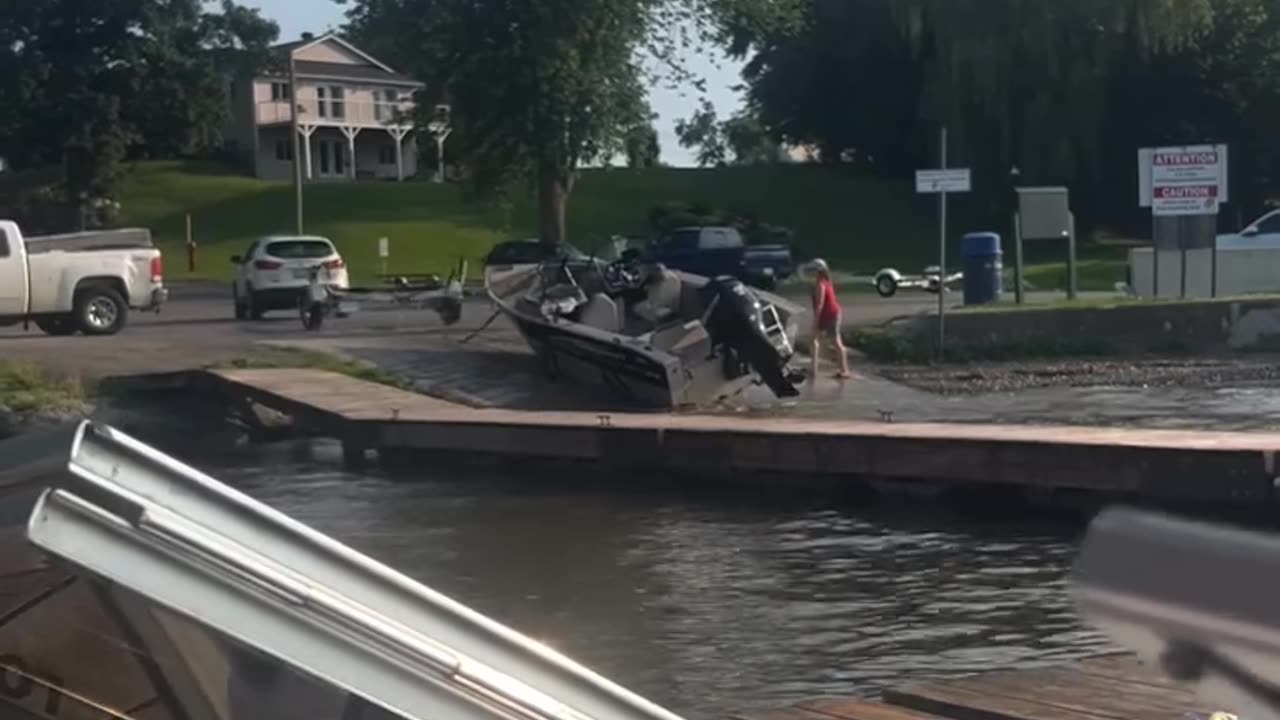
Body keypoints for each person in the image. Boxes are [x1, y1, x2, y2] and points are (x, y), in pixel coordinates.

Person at [810, 259, 851, 380]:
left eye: (813, 270)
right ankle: (813, 369)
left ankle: (845, 370)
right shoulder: (824, 282)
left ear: (818, 271)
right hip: (826, 315)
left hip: (831, 315)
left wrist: (815, 321)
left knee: (836, 342)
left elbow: (820, 304)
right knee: (813, 340)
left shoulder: (821, 284)